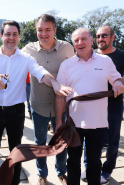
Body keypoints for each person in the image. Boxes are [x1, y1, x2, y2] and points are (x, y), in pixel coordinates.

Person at [0, 20, 72, 185]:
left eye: (15, 34)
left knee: (16, 151)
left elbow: (41, 72)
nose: (11, 38)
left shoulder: (25, 58)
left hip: (16, 111)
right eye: (8, 34)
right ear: (1, 36)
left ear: (18, 37)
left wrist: (56, 83)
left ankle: (14, 181)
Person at [56, 27, 124, 185]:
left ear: (91, 41)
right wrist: (59, 122)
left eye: (83, 39)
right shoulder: (66, 65)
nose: (80, 43)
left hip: (98, 123)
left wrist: (117, 84)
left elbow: (116, 79)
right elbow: (60, 95)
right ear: (73, 43)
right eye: (76, 40)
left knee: (94, 163)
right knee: (73, 162)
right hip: (74, 124)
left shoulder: (105, 61)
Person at [22, 14, 75, 185]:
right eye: (40, 30)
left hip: (63, 106)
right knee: (40, 142)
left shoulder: (67, 48)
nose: (43, 34)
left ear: (55, 30)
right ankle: (42, 174)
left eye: (47, 30)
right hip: (38, 106)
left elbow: (76, 72)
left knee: (61, 141)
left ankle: (61, 172)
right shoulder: (28, 50)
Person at [81, 25, 124, 185]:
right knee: (89, 138)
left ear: (113, 37)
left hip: (113, 105)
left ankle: (106, 170)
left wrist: (117, 81)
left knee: (112, 141)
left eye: (104, 35)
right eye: (98, 36)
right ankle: (90, 167)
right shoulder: (89, 55)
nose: (100, 39)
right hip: (92, 105)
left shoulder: (121, 56)